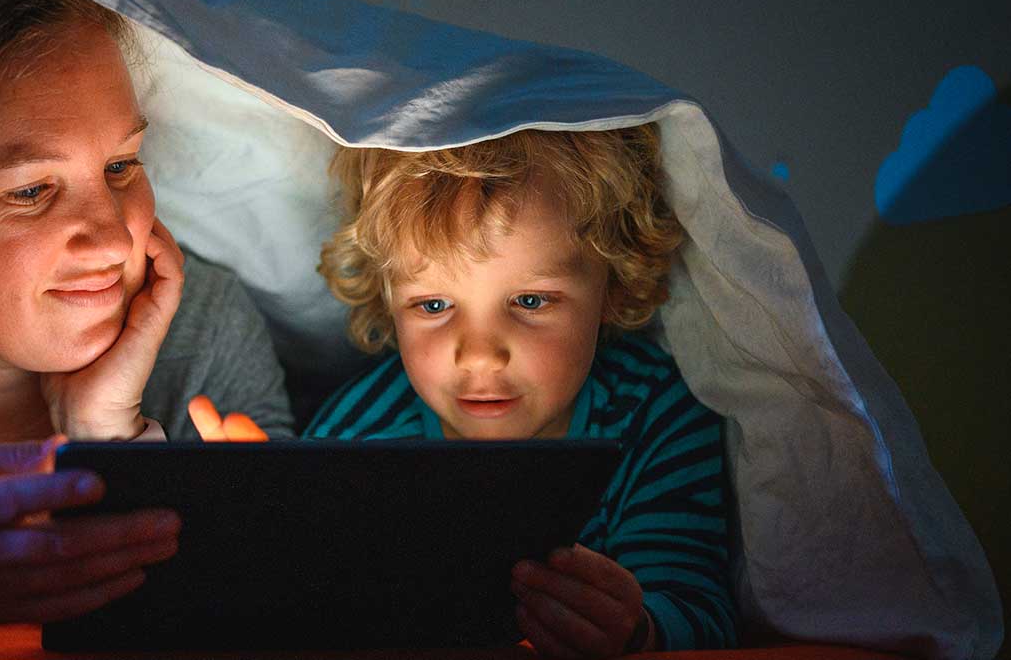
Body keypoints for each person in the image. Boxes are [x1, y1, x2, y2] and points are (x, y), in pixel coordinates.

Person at [0, 0, 294, 648]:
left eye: (121, 166)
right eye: (31, 191)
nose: (118, 239)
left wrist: (113, 445)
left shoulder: (199, 331)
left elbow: (283, 616)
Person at [303, 125, 736, 655]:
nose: (481, 354)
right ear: (389, 303)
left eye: (530, 301)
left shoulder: (655, 414)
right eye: (434, 306)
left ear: (613, 288)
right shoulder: (350, 438)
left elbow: (701, 606)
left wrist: (636, 630)